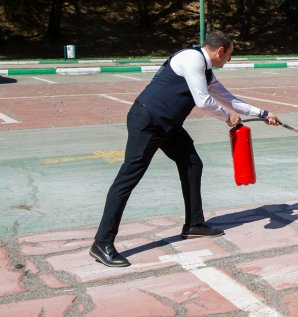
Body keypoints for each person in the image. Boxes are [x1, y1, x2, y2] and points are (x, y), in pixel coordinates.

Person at [90, 30, 280, 267]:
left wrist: (263, 113)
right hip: (148, 122)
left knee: (192, 164)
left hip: (168, 125)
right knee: (127, 179)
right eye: (230, 55)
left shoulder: (205, 70)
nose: (230, 60)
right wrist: (226, 117)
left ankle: (193, 224)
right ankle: (102, 243)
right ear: (220, 51)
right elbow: (203, 101)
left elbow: (228, 99)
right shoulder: (192, 59)